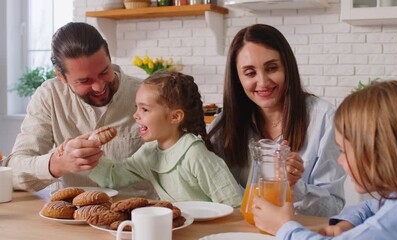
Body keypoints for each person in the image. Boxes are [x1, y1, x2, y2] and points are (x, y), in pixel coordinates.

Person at [252, 79, 397, 239]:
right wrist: (348, 223)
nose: (340, 161)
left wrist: (284, 227)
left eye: (344, 151)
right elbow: (369, 207)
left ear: (382, 154)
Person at [207, 24, 346, 216]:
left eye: (272, 68)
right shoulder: (224, 124)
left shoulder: (323, 118)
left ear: (287, 68)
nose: (263, 82)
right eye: (250, 73)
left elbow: (334, 205)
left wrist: (295, 187)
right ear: (237, 78)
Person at [7, 22, 156, 198]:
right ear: (61, 76)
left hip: (136, 215)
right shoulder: (50, 96)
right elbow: (13, 171)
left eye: (104, 72)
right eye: (84, 81)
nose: (99, 86)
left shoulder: (146, 95)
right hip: (73, 215)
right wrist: (57, 164)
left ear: (109, 57)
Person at [88, 71, 242, 207]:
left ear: (175, 116)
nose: (135, 115)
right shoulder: (149, 153)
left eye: (145, 109)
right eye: (136, 107)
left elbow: (233, 203)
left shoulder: (195, 154)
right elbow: (113, 177)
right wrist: (87, 155)